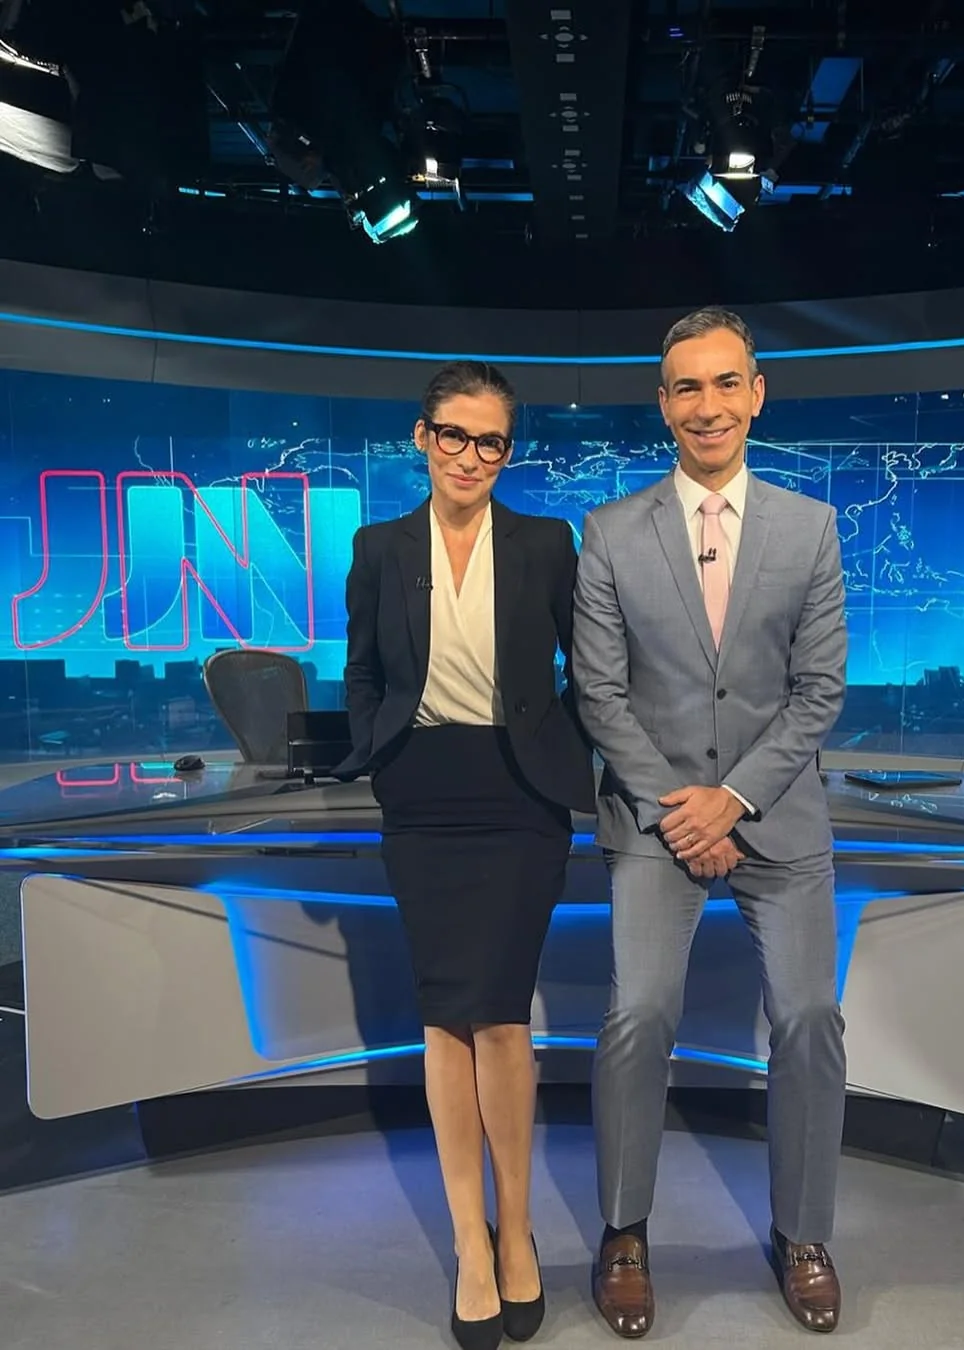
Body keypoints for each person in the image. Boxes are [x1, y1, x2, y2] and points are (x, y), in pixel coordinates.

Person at [572, 307, 849, 1337]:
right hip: (656, 819)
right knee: (640, 1012)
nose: (708, 405)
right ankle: (623, 1230)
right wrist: (681, 809)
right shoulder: (611, 532)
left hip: (779, 818)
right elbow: (601, 696)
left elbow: (818, 692)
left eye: (726, 383)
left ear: (756, 394)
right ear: (663, 404)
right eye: (687, 387)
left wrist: (734, 798)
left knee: (810, 1017)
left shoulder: (810, 528)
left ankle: (802, 1233)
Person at [337, 360, 595, 1350]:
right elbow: (362, 671)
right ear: (423, 436)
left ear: (507, 450)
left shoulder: (545, 543)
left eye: (491, 441)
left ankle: (517, 1230)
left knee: (501, 1018)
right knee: (446, 1017)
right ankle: (469, 1244)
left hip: (519, 799)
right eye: (455, 434)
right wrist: (381, 754)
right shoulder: (378, 546)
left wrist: (562, 751)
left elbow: (589, 667)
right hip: (423, 799)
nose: (471, 456)